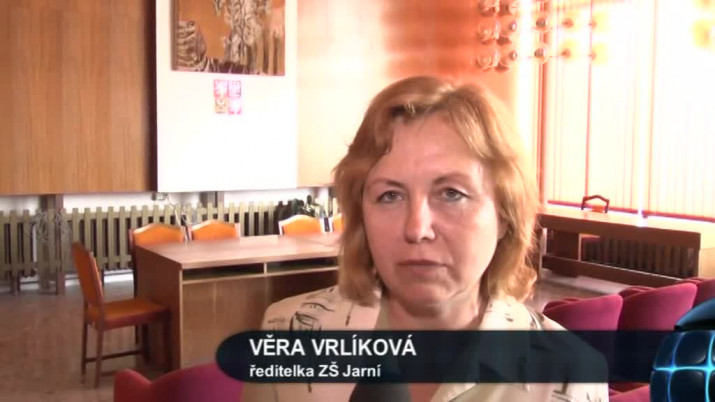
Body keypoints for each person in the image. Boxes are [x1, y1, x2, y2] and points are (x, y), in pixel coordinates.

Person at [242, 76, 609, 401]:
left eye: (451, 193)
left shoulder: (571, 374)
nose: (416, 229)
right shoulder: (287, 332)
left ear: (504, 216)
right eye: (390, 195)